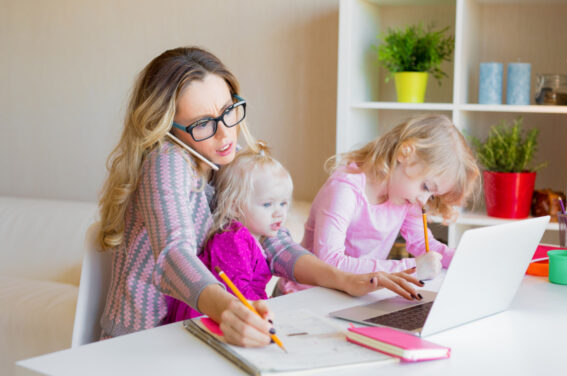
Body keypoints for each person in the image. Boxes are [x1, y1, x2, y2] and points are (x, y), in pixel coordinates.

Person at [97, 46, 423, 347]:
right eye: (202, 125)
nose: (226, 134)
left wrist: (345, 279)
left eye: (228, 112)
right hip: (142, 339)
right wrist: (227, 309)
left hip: (192, 329)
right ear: (167, 128)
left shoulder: (227, 158)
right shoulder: (166, 159)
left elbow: (275, 243)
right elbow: (173, 253)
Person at [278, 115, 480, 295]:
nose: (424, 200)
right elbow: (330, 262)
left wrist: (465, 259)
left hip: (353, 295)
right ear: (405, 153)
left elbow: (424, 244)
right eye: (426, 186)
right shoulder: (346, 189)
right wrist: (411, 267)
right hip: (305, 295)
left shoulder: (405, 197)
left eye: (433, 195)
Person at [165, 143, 292, 322]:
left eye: (283, 203)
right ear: (234, 206)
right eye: (267, 204)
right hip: (206, 316)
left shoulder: (257, 237)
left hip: (237, 312)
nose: (279, 213)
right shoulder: (233, 239)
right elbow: (238, 293)